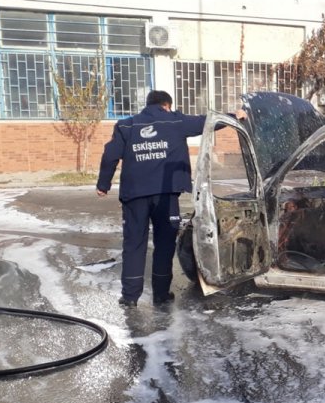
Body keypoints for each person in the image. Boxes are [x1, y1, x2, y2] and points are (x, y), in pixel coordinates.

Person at [96, 90, 244, 307]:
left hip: (135, 195)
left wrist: (103, 184)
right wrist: (234, 116)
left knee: (134, 244)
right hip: (166, 195)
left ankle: (129, 297)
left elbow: (110, 155)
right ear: (167, 105)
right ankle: (161, 294)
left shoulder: (126, 125)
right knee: (164, 244)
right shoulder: (175, 121)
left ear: (147, 105)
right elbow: (207, 122)